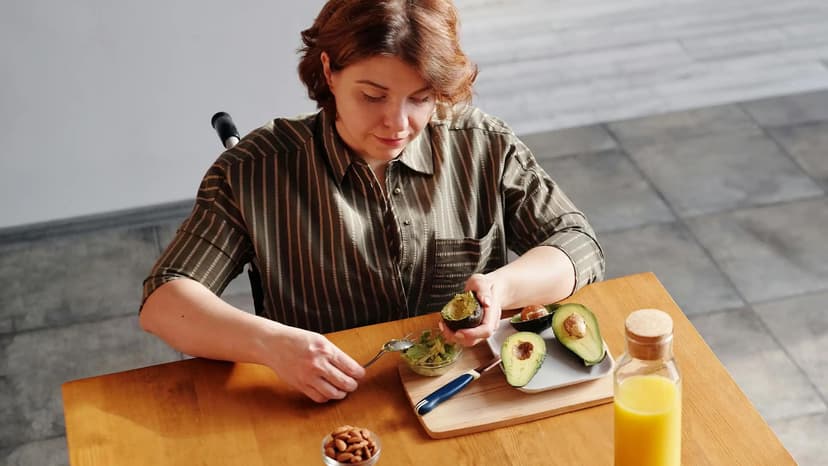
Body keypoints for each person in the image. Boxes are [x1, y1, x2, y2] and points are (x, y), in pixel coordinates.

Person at [139, 0, 605, 404]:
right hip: (327, 400)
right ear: (329, 72)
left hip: (461, 393)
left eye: (420, 99)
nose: (397, 123)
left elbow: (577, 243)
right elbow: (165, 300)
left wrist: (503, 289)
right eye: (372, 96)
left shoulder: (482, 145)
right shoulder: (253, 170)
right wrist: (269, 344)